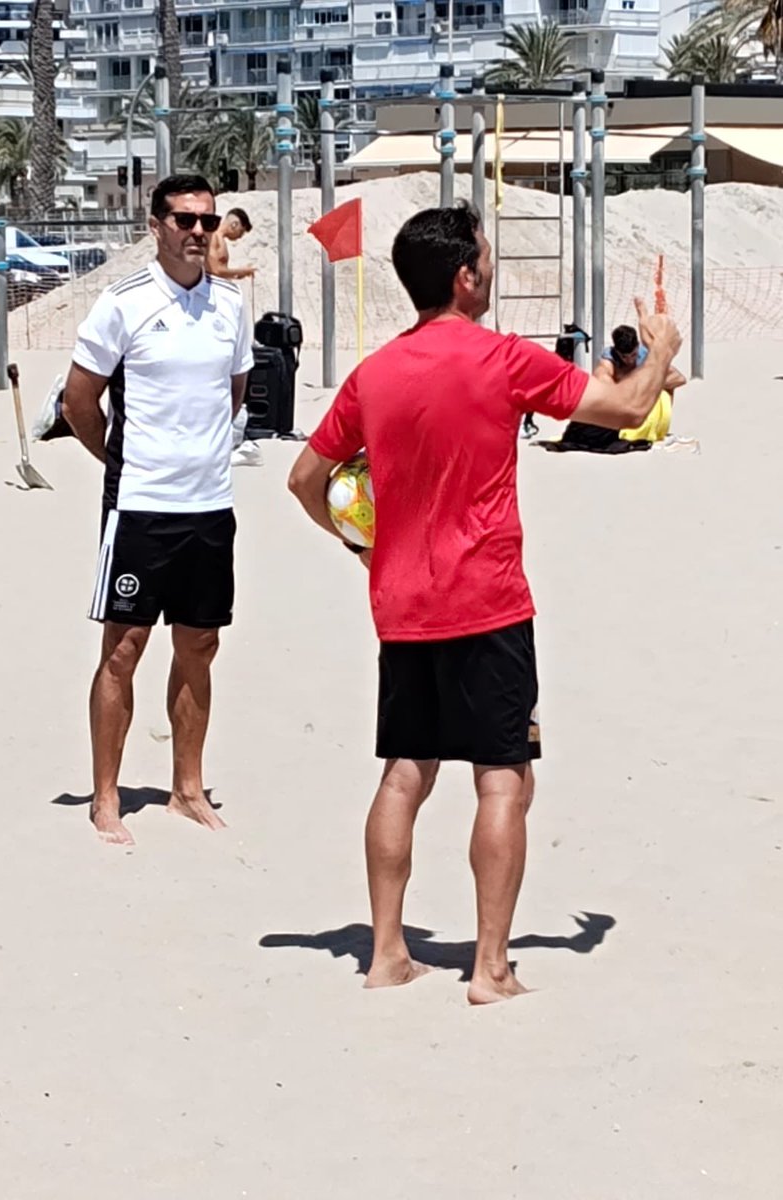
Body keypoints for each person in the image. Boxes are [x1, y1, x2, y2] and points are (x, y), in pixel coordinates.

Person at [288, 204, 680, 1005]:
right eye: (488, 260)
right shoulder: (502, 358)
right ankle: (492, 969)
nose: (492, 270)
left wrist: (360, 545)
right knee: (503, 782)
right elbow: (629, 411)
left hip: (401, 604)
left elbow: (304, 480)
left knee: (405, 774)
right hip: (489, 603)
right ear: (465, 277)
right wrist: (663, 348)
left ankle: (386, 955)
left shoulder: (374, 373)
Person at [62, 174, 254, 846]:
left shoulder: (230, 305)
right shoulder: (123, 303)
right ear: (156, 226)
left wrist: (201, 453)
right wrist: (119, 461)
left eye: (207, 220)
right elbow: (78, 401)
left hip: (210, 504)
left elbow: (233, 390)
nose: (197, 231)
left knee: (200, 645)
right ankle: (106, 796)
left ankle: (186, 789)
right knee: (124, 649)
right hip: (141, 506)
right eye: (183, 219)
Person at [595, 322, 687, 444]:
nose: (629, 360)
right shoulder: (610, 358)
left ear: (638, 346)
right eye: (624, 357)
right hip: (622, 406)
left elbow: (679, 379)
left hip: (645, 404)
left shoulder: (647, 356)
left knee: (664, 386)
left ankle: (658, 428)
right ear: (617, 351)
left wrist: (646, 384)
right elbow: (601, 378)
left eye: (633, 355)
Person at [206, 208, 255, 282]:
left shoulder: (221, 240)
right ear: (234, 225)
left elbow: (220, 273)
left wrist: (238, 275)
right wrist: (241, 271)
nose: (240, 236)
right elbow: (214, 270)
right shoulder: (213, 237)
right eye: (241, 231)